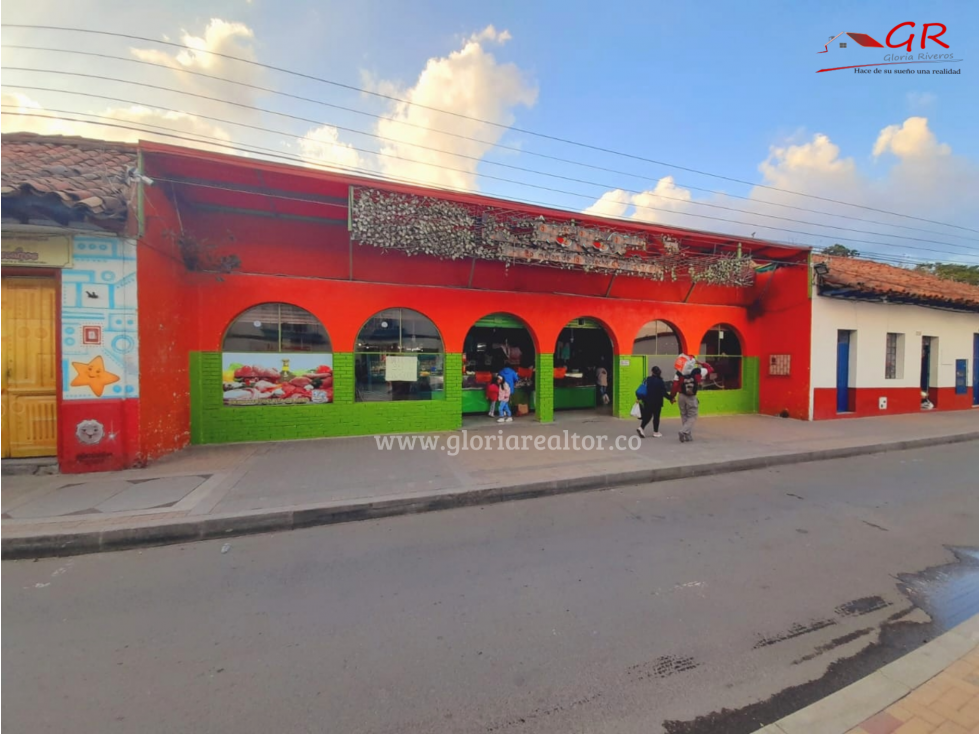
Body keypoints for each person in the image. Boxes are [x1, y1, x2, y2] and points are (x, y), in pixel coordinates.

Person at [671, 359, 702, 442]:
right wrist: (701, 363)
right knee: (692, 416)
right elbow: (710, 369)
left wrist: (672, 396)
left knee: (684, 414)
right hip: (691, 397)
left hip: (681, 396)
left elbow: (674, 385)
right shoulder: (696, 373)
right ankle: (683, 431)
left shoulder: (678, 373)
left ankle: (687, 435)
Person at [636, 365, 671, 438]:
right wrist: (671, 398)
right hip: (657, 402)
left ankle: (641, 428)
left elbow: (642, 389)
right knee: (656, 417)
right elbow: (664, 393)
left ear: (652, 372)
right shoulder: (660, 381)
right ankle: (656, 432)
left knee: (648, 416)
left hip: (647, 401)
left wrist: (639, 398)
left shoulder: (647, 379)